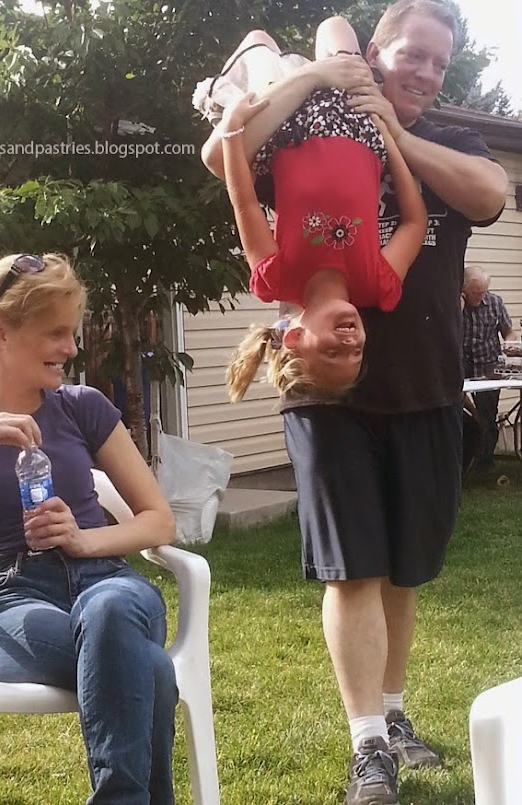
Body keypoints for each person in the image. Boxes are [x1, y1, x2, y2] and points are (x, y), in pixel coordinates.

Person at [200, 2, 508, 803]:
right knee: (353, 567)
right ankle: (368, 742)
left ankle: (395, 716)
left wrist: (393, 132)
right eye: (414, 54)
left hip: (427, 387)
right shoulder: (319, 107)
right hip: (328, 390)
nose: (427, 72)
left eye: (441, 63)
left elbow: (488, 195)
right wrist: (313, 76)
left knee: (404, 568)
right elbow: (220, 154)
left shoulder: (454, 138)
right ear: (378, 52)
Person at [0, 253, 178, 805]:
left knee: (109, 612)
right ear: (0, 334)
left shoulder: (83, 407)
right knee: (150, 668)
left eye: (72, 332)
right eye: (56, 333)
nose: (73, 348)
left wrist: (85, 539)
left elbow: (160, 520)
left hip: (107, 581)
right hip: (7, 602)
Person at [198, 20, 427, 403]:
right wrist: (389, 138)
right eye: (356, 353)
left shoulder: (276, 277)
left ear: (294, 336)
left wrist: (233, 128)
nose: (349, 343)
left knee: (258, 39)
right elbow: (415, 222)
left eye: (332, 352)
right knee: (335, 27)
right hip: (357, 123)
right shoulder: (377, 285)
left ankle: (220, 95)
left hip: (289, 129)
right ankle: (298, 71)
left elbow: (246, 202)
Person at [462, 264, 515, 470]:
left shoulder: (495, 302)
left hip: (488, 364)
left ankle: (485, 462)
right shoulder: (456, 304)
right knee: (459, 410)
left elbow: (508, 331)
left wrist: (509, 343)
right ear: (464, 289)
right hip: (463, 364)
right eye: (475, 293)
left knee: (488, 414)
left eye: (483, 292)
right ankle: (464, 457)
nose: (480, 296)